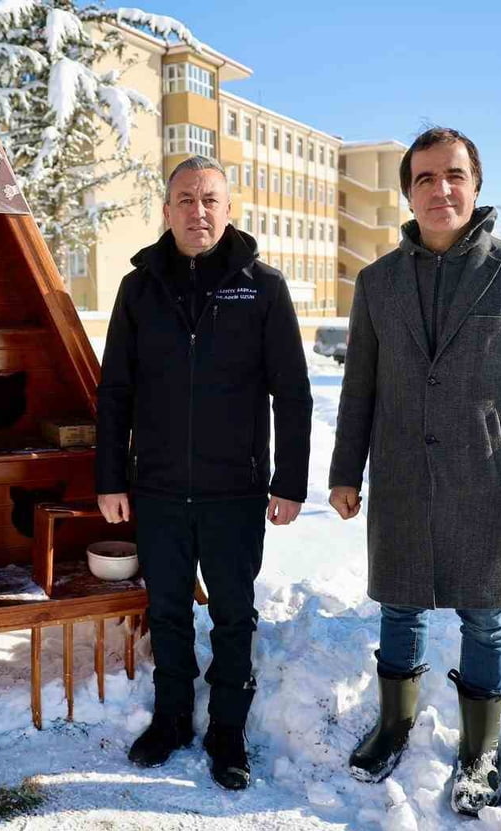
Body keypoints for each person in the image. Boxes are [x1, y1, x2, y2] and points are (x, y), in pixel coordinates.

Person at [328, 127, 501, 816]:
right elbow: (359, 391)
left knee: (486, 619)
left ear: (476, 183)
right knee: (399, 608)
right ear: (408, 191)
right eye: (426, 178)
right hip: (402, 477)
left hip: (490, 484)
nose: (442, 189)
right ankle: (393, 723)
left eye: (454, 175)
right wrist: (346, 470)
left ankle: (481, 749)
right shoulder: (377, 283)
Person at [96, 154, 313, 790]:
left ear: (228, 208)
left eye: (210, 199)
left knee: (233, 615)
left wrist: (289, 482)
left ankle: (227, 732)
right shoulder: (139, 289)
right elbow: (116, 391)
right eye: (185, 200)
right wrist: (112, 477)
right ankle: (171, 720)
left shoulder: (262, 286)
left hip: (235, 490)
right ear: (166, 212)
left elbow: (292, 392)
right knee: (165, 610)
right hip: (157, 486)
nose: (198, 211)